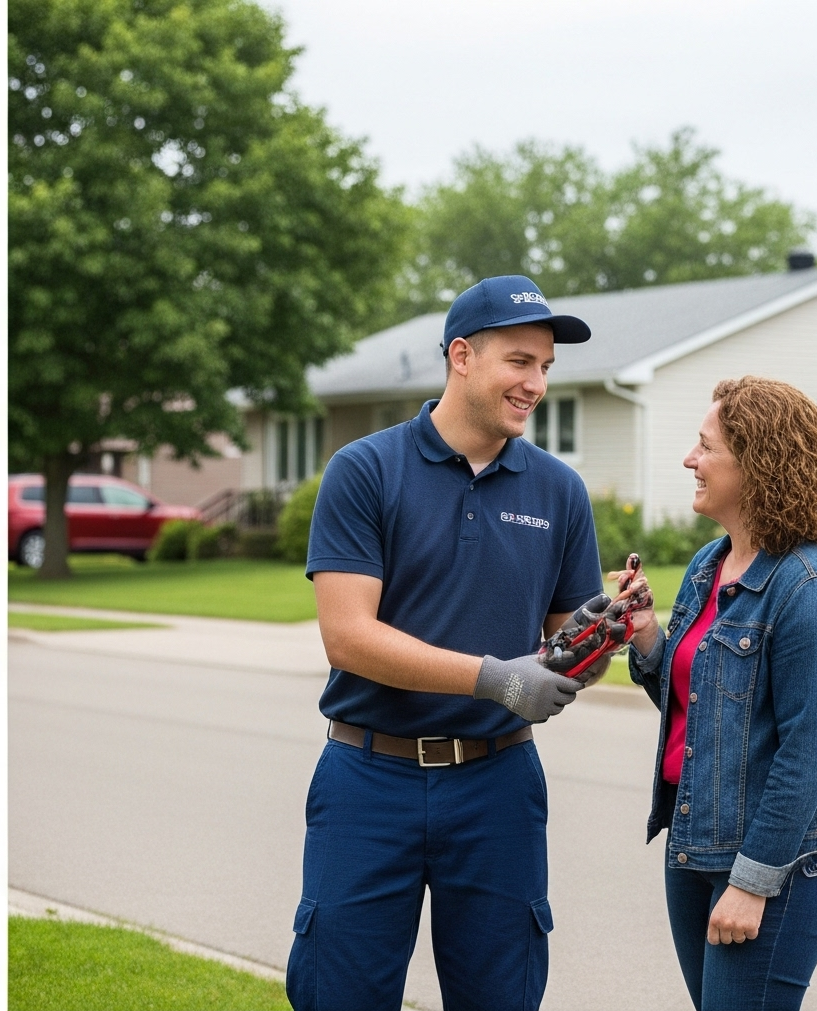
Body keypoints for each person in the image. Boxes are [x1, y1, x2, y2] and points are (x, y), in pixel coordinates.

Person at [285, 275, 604, 1011]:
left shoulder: (559, 490)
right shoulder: (365, 469)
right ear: (461, 355)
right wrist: (494, 677)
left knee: (501, 995)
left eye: (546, 367)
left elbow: (563, 649)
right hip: (369, 775)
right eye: (519, 361)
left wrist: (602, 636)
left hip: (497, 784)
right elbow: (347, 636)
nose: (536, 383)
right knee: (338, 992)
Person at [622, 376, 817, 1011]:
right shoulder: (711, 563)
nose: (689, 460)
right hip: (693, 842)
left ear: (755, 463)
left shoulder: (808, 588)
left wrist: (753, 882)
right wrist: (649, 636)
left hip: (772, 868)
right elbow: (700, 710)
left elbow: (807, 753)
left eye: (705, 447)